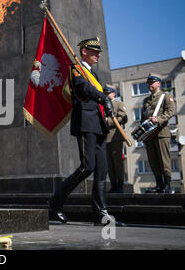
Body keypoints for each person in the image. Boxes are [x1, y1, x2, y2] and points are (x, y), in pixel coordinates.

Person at [48, 37, 125, 226]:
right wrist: (103, 98)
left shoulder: (93, 73)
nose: (98, 54)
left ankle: (101, 215)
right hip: (85, 123)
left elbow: (94, 90)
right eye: (94, 51)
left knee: (101, 170)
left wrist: (104, 106)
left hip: (98, 125)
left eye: (99, 51)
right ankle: (55, 203)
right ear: (84, 52)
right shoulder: (76, 69)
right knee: (87, 166)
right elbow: (83, 88)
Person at [141, 73, 176, 193]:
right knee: (153, 161)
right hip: (149, 135)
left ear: (158, 84)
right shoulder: (146, 100)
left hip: (161, 133)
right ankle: (158, 185)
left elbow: (170, 111)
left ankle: (167, 185)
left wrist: (159, 119)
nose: (149, 84)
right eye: (148, 82)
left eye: (152, 82)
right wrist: (142, 134)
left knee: (163, 159)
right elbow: (143, 118)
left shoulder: (165, 96)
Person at [103, 85, 128, 193]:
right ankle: (113, 185)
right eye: (105, 93)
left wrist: (108, 121)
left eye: (108, 93)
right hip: (104, 138)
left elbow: (123, 118)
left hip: (115, 138)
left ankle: (120, 185)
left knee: (117, 163)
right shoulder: (102, 105)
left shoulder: (118, 104)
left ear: (114, 93)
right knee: (109, 164)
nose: (106, 95)